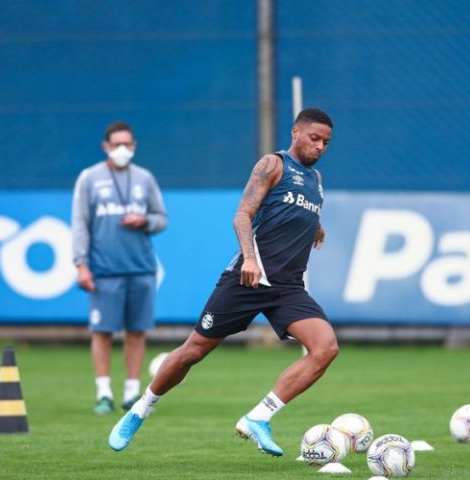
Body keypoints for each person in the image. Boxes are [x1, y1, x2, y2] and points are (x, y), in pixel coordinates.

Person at [108, 108, 337, 456]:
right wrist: (249, 258)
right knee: (193, 352)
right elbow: (243, 214)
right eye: (314, 138)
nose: (320, 146)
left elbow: (296, 214)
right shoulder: (272, 165)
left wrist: (314, 226)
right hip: (248, 279)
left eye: (326, 142)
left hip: (288, 287)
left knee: (326, 348)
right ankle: (141, 409)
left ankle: (259, 417)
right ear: (295, 132)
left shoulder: (316, 181)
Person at [72, 121, 167, 415]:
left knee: (137, 331)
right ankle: (103, 392)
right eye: (116, 144)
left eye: (127, 144)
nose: (122, 149)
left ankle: (131, 392)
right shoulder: (89, 178)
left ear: (134, 145)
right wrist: (81, 265)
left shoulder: (145, 178)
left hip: (140, 268)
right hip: (104, 270)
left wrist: (144, 221)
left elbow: (161, 219)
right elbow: (80, 224)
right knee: (102, 331)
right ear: (106, 147)